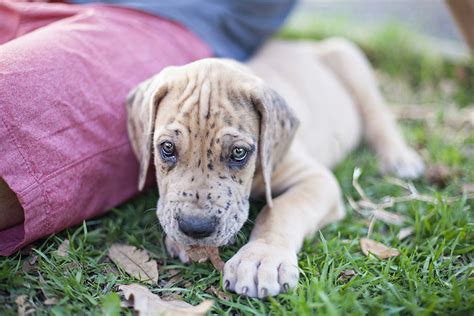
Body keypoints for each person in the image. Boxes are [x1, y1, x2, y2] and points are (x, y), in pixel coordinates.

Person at [0, 0, 296, 256]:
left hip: (170, 17)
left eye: (237, 154)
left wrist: (272, 240)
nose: (195, 216)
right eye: (167, 148)